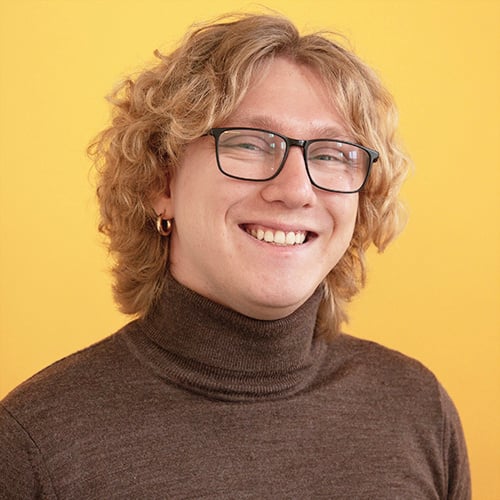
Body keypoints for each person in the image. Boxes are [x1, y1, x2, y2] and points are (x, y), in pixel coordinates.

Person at [0, 12, 470, 499]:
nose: (296, 190)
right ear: (162, 182)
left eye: (331, 153)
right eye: (250, 144)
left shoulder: (418, 411)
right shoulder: (36, 446)